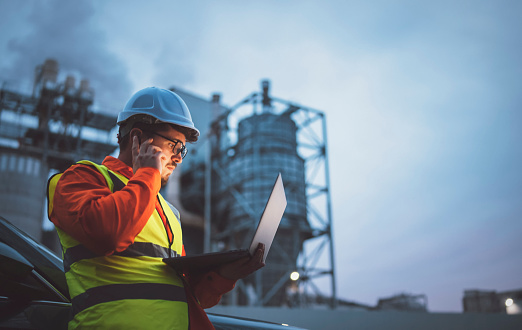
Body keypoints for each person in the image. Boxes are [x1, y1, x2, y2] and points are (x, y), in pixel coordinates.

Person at [48, 87, 265, 329]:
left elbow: (185, 296)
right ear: (137, 139)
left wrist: (226, 275)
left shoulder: (168, 211)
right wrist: (148, 173)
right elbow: (108, 234)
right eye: (175, 146)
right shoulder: (81, 178)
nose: (180, 158)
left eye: (183, 149)